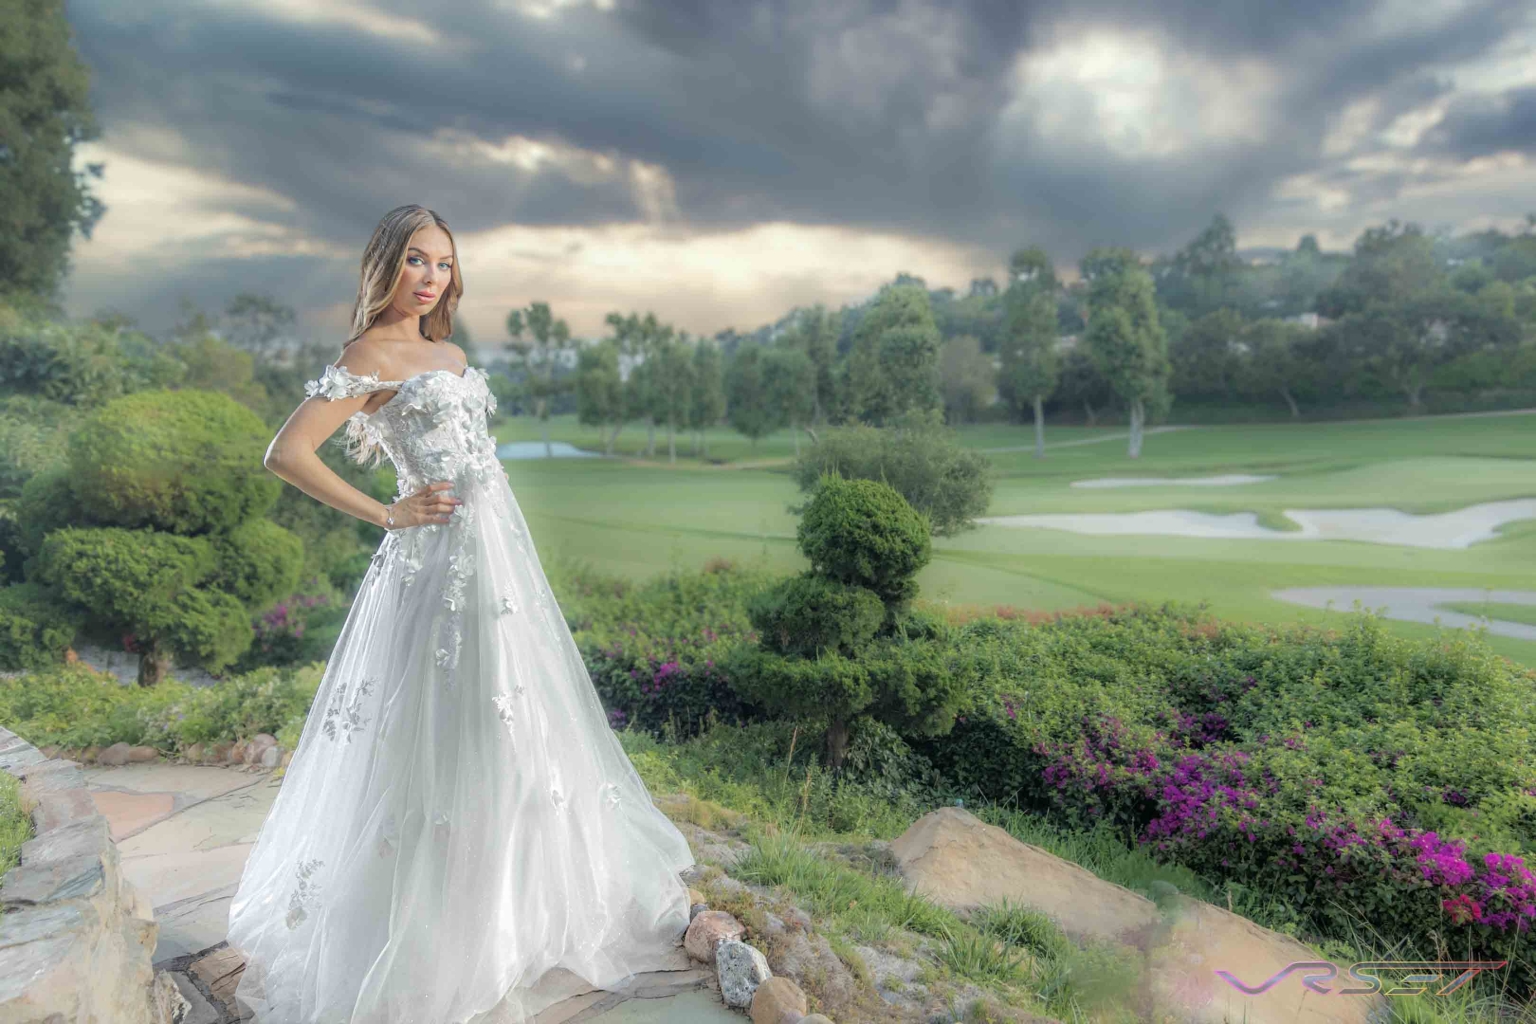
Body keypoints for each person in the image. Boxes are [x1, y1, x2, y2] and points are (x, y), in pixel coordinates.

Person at [226, 204, 694, 1023]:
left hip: (498, 559)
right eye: (414, 260)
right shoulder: (368, 355)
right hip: (435, 562)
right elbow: (285, 454)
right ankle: (428, 934)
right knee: (438, 734)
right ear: (385, 266)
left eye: (442, 263)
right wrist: (386, 513)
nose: (430, 276)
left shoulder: (449, 352)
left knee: (511, 726)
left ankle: (513, 913)